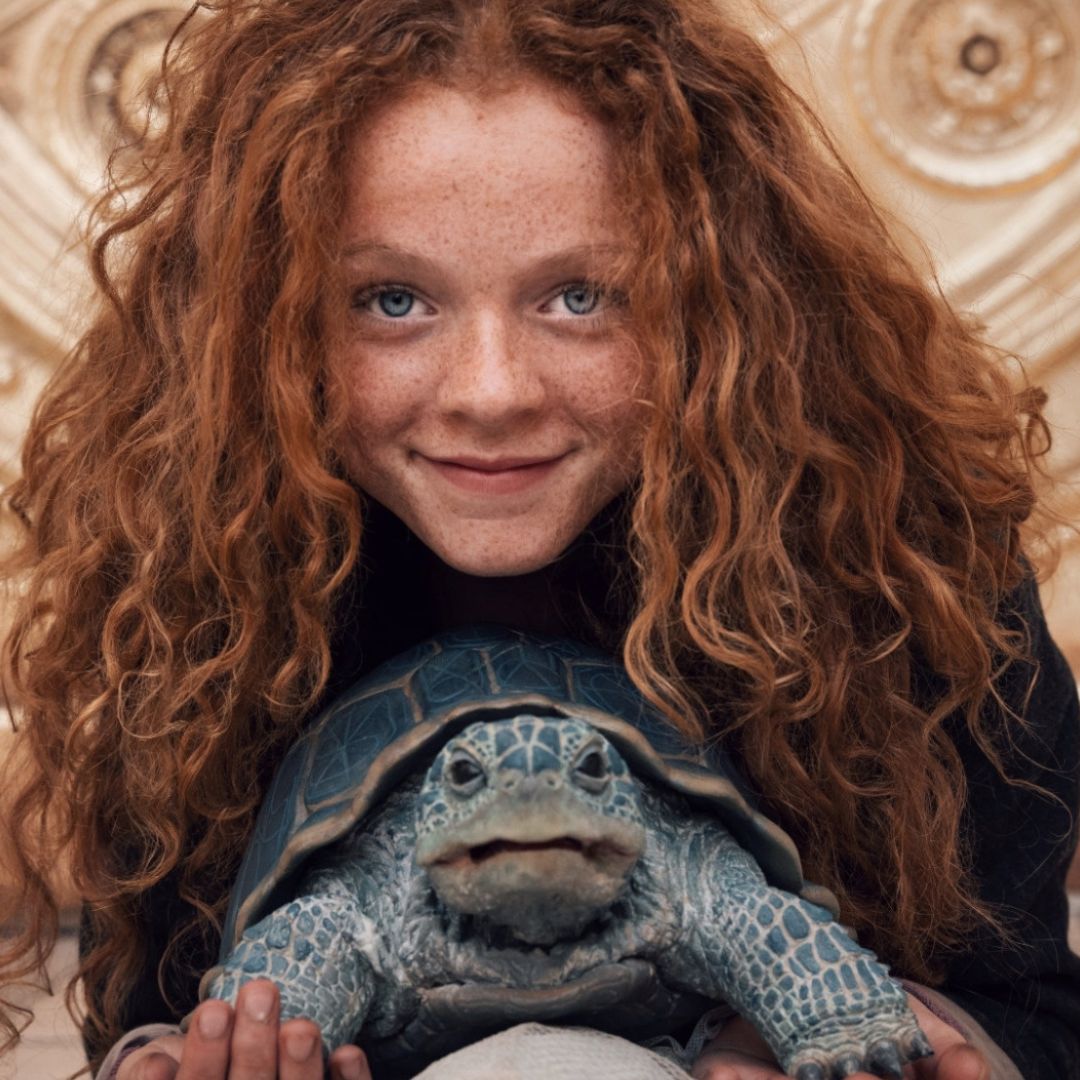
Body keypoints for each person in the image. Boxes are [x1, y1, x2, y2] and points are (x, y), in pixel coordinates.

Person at [0, 0, 1076, 1077]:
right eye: (391, 299)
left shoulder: (910, 572)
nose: (491, 391)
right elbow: (152, 997)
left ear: (724, 302)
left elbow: (1029, 998)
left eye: (579, 296)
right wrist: (163, 1055)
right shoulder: (196, 598)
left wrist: (861, 1036)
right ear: (262, 323)